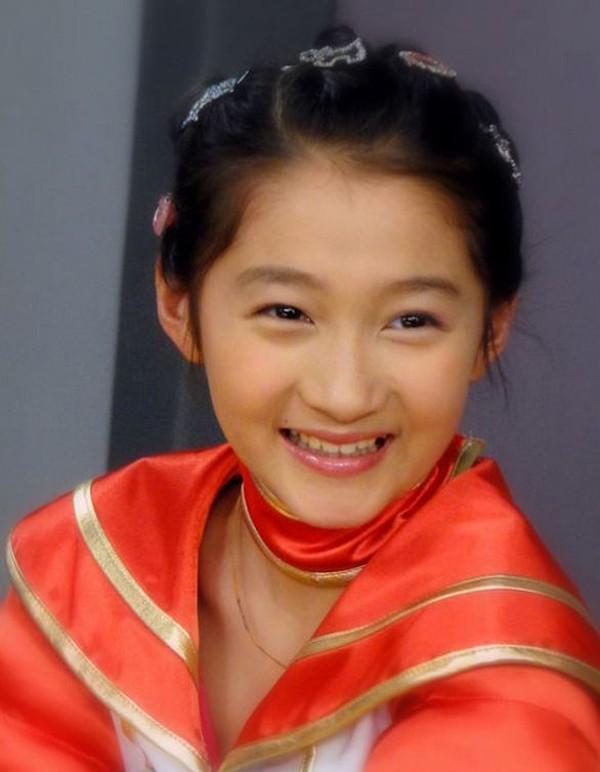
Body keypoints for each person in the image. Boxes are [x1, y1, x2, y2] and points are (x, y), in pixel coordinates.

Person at [1, 25, 598, 772]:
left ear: (491, 330)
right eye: (286, 311)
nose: (344, 395)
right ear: (179, 305)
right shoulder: (97, 569)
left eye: (412, 321)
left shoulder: (508, 660)